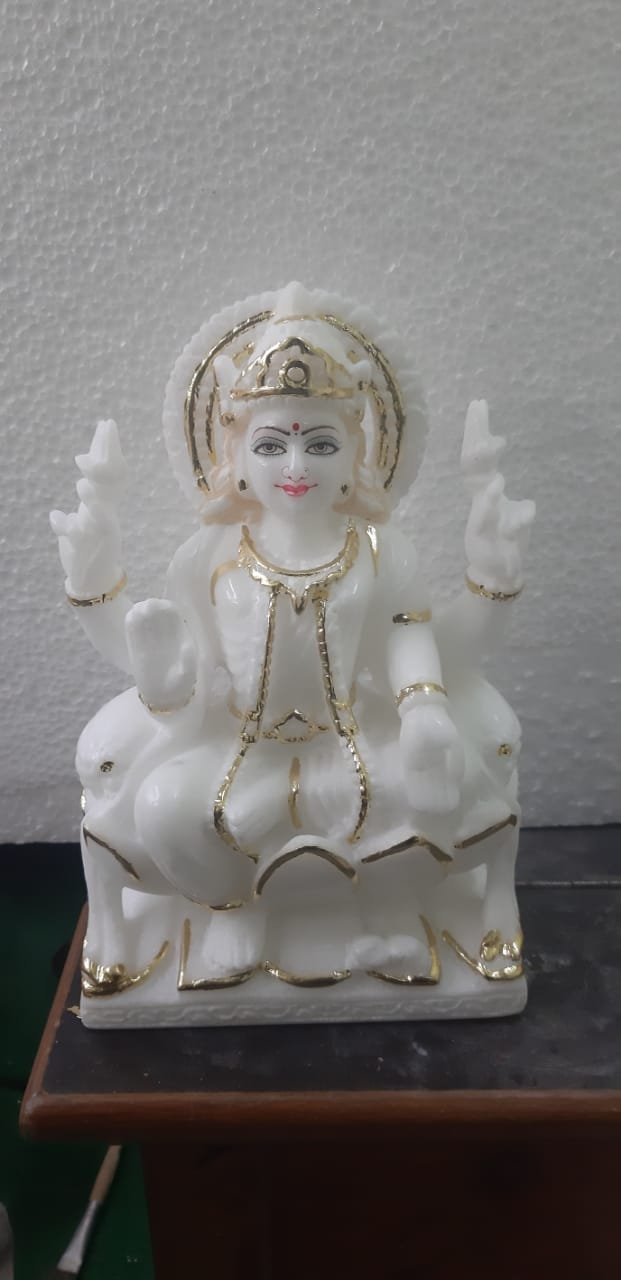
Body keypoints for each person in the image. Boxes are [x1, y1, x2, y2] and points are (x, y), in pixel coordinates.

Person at [51, 283, 534, 1006]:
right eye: (272, 445)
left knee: (441, 782)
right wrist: (109, 605)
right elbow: (168, 659)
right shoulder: (209, 557)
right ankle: (233, 909)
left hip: (352, 745)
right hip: (241, 750)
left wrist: (427, 708)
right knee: (165, 807)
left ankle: (385, 909)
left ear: (356, 456)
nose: (297, 468)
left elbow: (409, 636)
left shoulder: (379, 551)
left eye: (321, 443)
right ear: (237, 459)